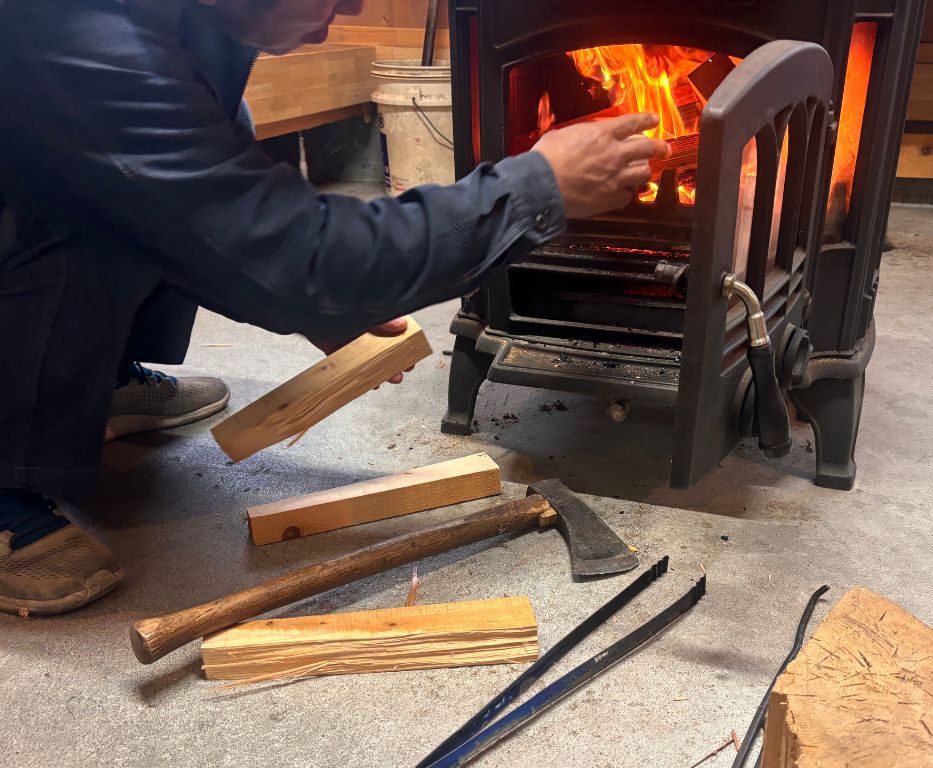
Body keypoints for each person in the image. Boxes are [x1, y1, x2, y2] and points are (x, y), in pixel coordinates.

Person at [0, 0, 669, 616]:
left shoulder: (181, 23)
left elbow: (207, 210)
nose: (352, 5)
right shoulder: (71, 29)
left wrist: (330, 304)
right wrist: (534, 187)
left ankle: (94, 383)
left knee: (173, 163)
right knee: (81, 204)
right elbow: (281, 248)